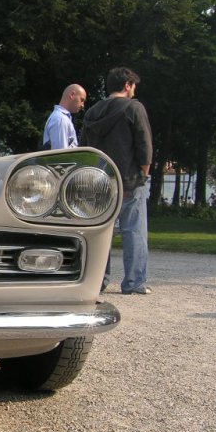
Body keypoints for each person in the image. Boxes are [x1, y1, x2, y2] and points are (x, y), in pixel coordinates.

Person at [82, 67, 153, 295]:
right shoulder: (134, 108)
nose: (134, 91)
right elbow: (144, 145)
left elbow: (84, 148)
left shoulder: (92, 111)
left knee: (102, 234)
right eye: (134, 86)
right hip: (129, 179)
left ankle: (98, 280)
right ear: (127, 85)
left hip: (98, 182)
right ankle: (134, 282)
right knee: (134, 232)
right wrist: (144, 172)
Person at [42, 84, 87, 149]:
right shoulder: (60, 119)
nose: (82, 105)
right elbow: (61, 155)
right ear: (72, 95)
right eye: (82, 100)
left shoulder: (61, 118)